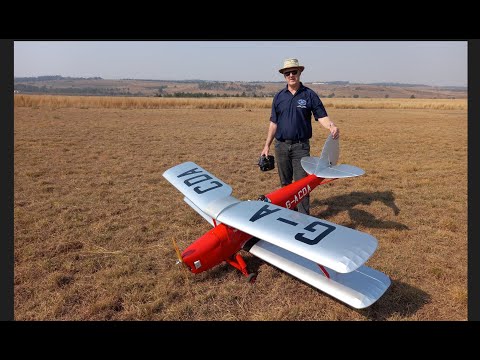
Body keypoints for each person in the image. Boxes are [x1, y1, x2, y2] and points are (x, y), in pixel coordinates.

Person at [260, 58, 340, 215]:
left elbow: (321, 116)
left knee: (302, 185)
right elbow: (273, 123)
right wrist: (266, 145)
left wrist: (331, 126)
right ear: (284, 75)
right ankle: (288, 215)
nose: (291, 75)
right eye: (287, 73)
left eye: (294, 72)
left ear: (299, 73)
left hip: (300, 147)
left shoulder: (309, 95)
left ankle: (304, 219)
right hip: (281, 146)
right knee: (285, 184)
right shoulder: (279, 97)